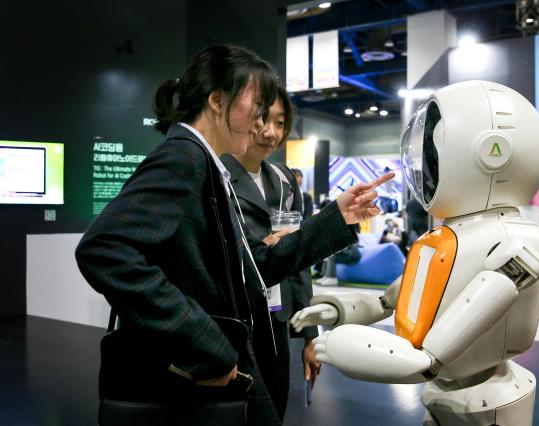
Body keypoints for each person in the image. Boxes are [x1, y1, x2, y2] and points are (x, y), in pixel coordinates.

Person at [74, 43, 392, 426]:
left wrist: (336, 217)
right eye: (257, 105)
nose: (262, 123)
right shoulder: (183, 157)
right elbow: (104, 249)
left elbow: (254, 268)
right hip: (196, 376)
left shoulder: (206, 166)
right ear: (217, 100)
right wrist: (206, 344)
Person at [220, 86, 319, 421]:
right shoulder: (216, 174)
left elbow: (300, 259)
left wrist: (309, 333)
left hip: (277, 318)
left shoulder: (284, 180)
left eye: (280, 122)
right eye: (263, 119)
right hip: (235, 320)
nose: (271, 132)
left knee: (274, 409)